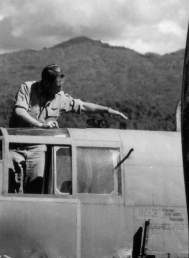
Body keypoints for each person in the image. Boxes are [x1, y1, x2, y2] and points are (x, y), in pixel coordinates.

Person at [9, 64, 127, 193]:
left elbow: (82, 106)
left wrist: (107, 110)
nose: (61, 88)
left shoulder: (60, 97)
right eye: (58, 85)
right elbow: (19, 111)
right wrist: (41, 125)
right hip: (15, 146)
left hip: (37, 149)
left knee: (35, 188)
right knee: (10, 188)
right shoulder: (27, 88)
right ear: (47, 83)